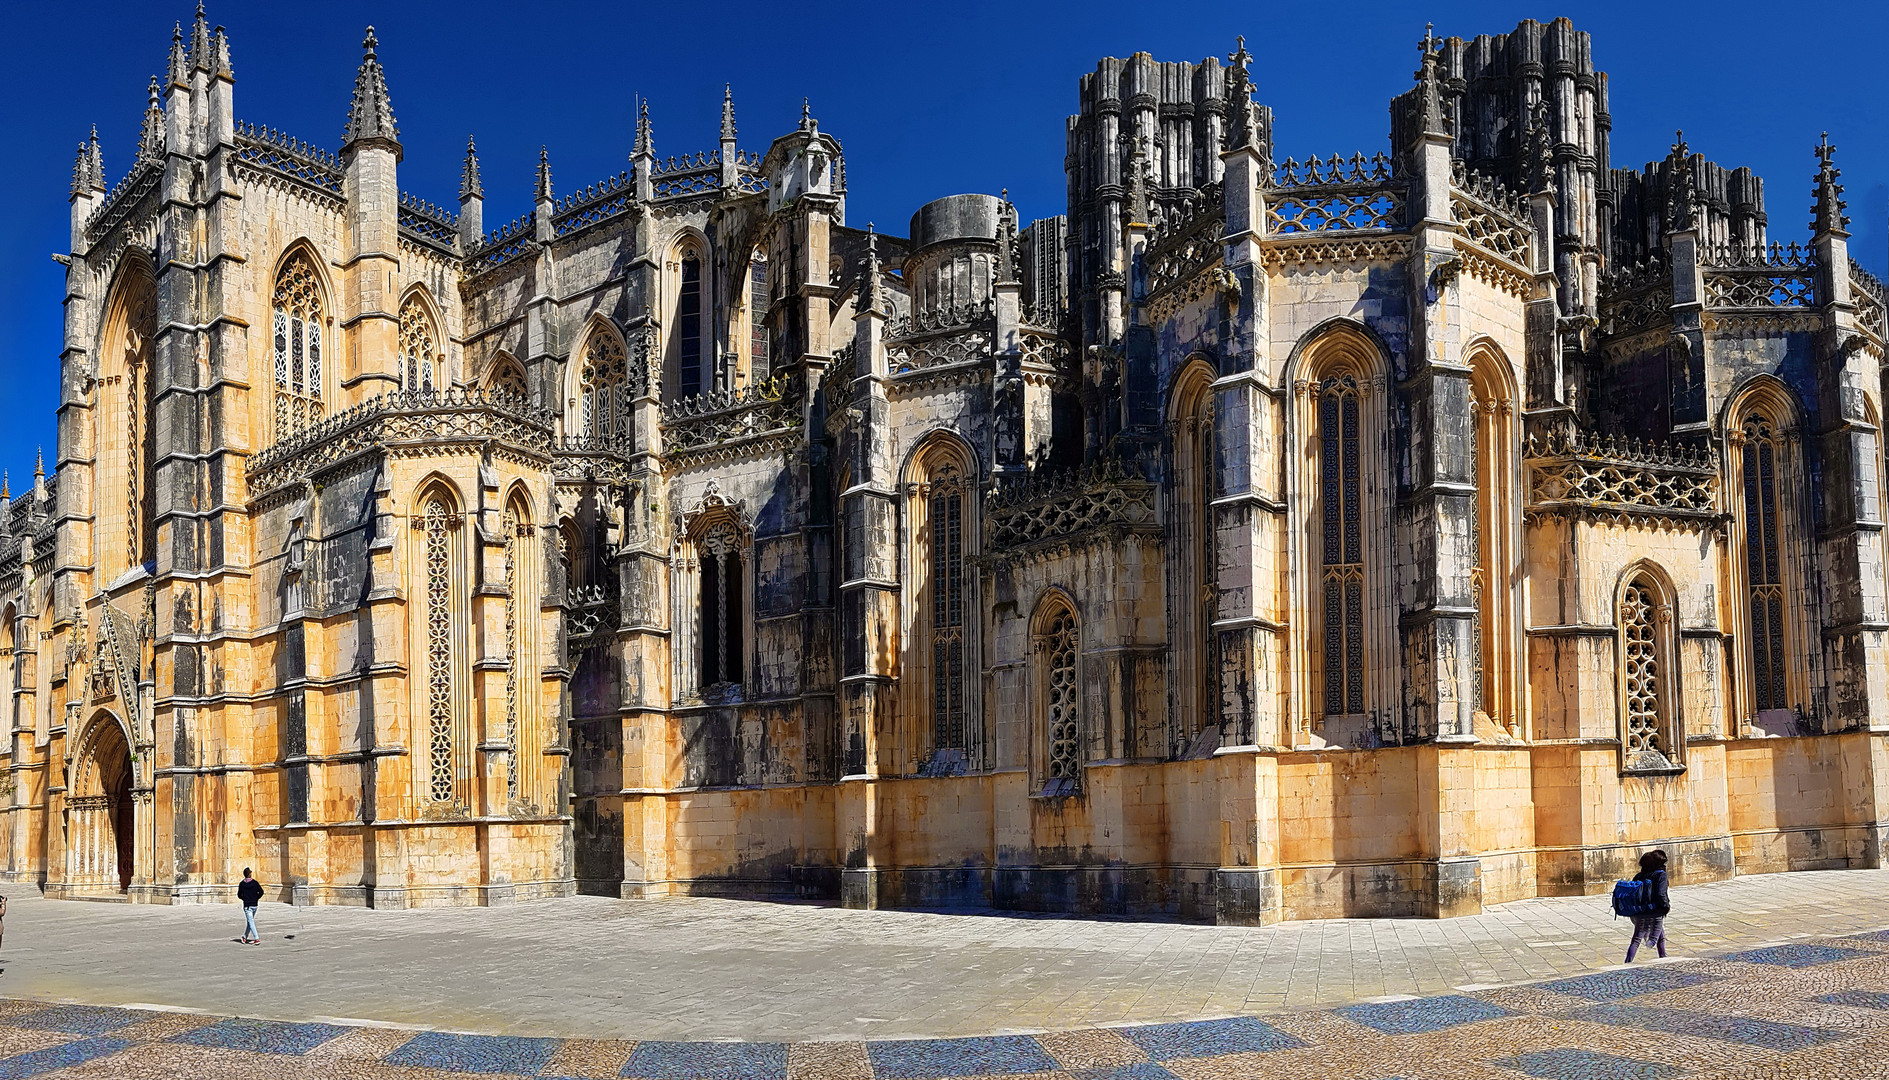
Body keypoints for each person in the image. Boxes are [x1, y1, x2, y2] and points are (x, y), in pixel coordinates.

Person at [1624, 849, 1670, 962]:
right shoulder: (1661, 875)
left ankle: (1628, 961)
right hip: (1655, 911)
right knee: (1653, 938)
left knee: (1637, 939)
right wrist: (1665, 907)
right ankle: (1657, 952)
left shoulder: (1639, 876)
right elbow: (1661, 894)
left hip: (1640, 911)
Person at [236, 868, 263, 945]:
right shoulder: (255, 883)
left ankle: (256, 938)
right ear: (249, 874)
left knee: (250, 921)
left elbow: (239, 895)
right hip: (254, 905)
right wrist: (256, 898)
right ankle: (244, 937)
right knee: (250, 921)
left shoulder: (242, 884)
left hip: (247, 905)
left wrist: (245, 899)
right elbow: (261, 892)